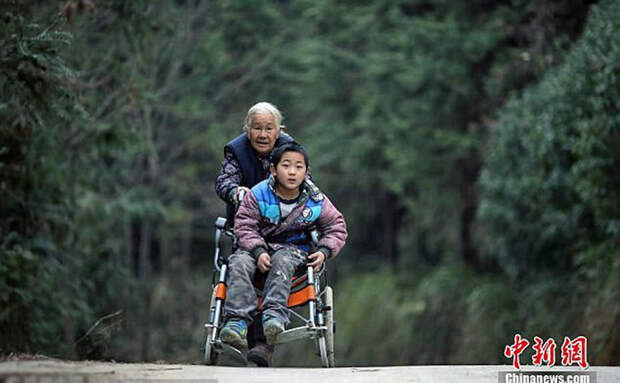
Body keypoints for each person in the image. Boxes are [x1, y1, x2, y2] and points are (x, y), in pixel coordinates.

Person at [219, 142, 347, 357]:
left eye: (298, 167)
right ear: (273, 169)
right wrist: (258, 251)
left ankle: (274, 316)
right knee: (238, 262)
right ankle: (236, 321)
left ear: (306, 172)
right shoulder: (258, 194)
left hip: (293, 249)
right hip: (255, 247)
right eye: (286, 166)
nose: (292, 172)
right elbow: (244, 226)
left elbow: (336, 227)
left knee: (283, 260)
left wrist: (324, 251)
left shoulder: (315, 200)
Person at [215, 102, 293, 226]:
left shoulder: (291, 150)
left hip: (286, 223)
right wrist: (235, 191)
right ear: (247, 130)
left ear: (278, 132)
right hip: (245, 222)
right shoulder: (236, 150)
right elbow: (224, 181)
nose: (263, 135)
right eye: (257, 128)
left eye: (269, 129)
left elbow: (306, 183)